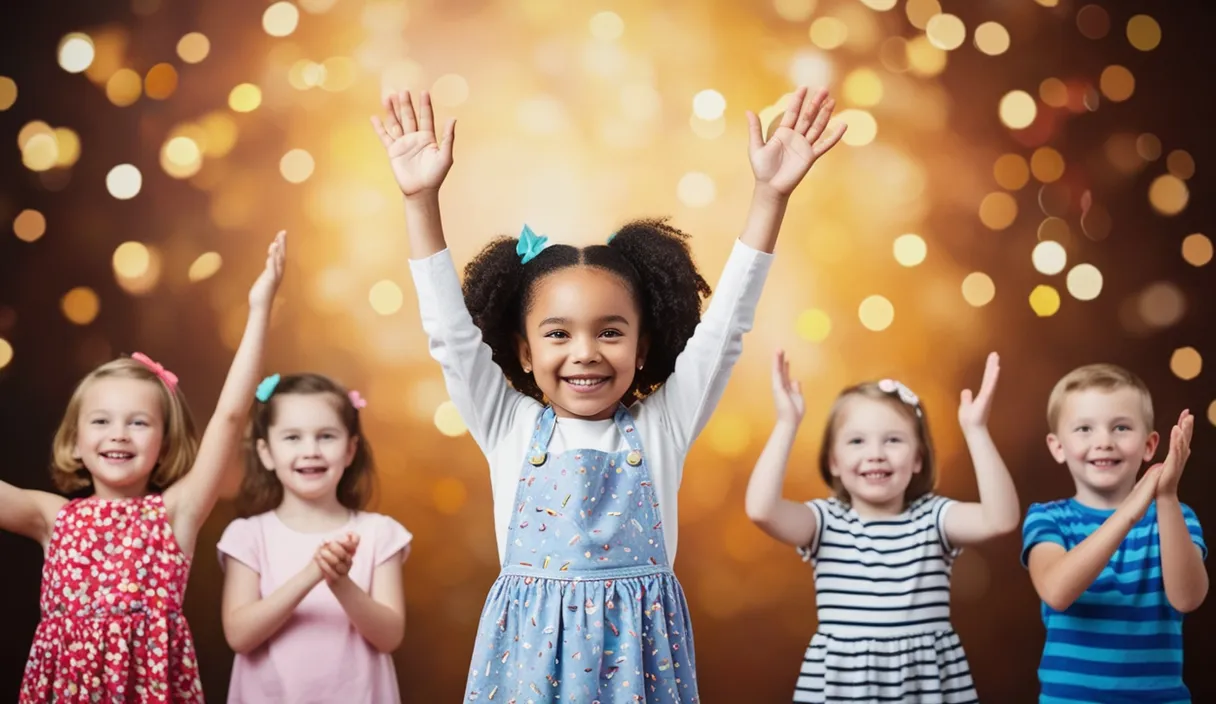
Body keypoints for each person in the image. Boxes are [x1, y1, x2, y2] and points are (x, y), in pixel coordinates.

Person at [373, 85, 845, 700]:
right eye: (558, 334)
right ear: (523, 352)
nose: (585, 352)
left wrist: (769, 198)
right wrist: (419, 202)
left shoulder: (662, 427)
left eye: (611, 332)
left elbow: (725, 329)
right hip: (527, 676)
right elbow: (448, 335)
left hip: (638, 674)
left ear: (643, 347)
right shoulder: (505, 425)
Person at [4, 232, 287, 703]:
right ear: (74, 442)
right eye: (101, 421)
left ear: (164, 443)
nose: (119, 433)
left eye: (138, 422)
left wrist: (259, 310)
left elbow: (230, 416)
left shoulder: (177, 513)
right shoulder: (53, 517)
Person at [746, 349, 1018, 702]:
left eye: (893, 440)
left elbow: (1001, 519)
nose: (876, 453)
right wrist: (786, 423)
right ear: (834, 462)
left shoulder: (934, 518)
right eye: (857, 441)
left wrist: (976, 431)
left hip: (926, 690)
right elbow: (761, 510)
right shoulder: (825, 523)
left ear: (918, 458)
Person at [218, 373, 410, 703]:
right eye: (292, 437)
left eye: (326, 436)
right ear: (266, 452)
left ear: (350, 450)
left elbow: (389, 636)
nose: (311, 451)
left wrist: (340, 582)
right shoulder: (247, 536)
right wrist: (313, 573)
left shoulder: (380, 533)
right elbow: (239, 635)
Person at [1022, 364, 1206, 702]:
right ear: (1057, 446)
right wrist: (1129, 511)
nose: (1104, 442)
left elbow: (1188, 598)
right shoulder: (1047, 519)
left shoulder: (1175, 515)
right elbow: (1057, 591)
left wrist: (1164, 497)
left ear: (1150, 445)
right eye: (1084, 429)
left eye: (1121, 427)